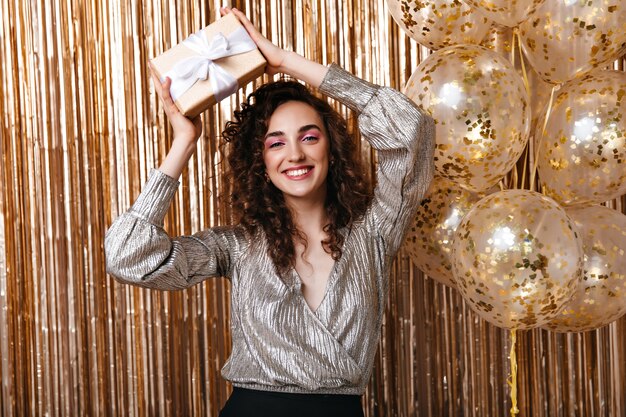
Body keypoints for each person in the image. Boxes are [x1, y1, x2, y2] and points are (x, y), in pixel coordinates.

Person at [104, 7, 435, 417]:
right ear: (259, 160)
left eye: (309, 137)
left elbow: (410, 129)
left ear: (331, 148)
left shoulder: (375, 232)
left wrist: (284, 61)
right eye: (276, 143)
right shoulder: (237, 247)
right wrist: (183, 143)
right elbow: (128, 257)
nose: (295, 154)